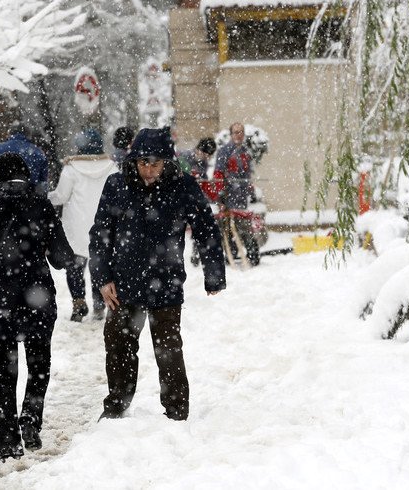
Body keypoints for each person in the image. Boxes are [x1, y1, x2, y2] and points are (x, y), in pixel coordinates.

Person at [89, 127, 225, 421]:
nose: (148, 170)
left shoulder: (183, 186)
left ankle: (177, 412)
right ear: (133, 161)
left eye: (155, 164)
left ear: (167, 162)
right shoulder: (117, 185)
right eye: (142, 163)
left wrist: (214, 273)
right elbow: (100, 234)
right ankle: (116, 407)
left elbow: (206, 229)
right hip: (123, 283)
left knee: (169, 350)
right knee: (118, 347)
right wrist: (102, 277)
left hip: (166, 281)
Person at [0, 153, 75, 462]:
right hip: (36, 300)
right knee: (39, 366)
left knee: (4, 375)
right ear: (27, 176)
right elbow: (61, 258)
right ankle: (30, 417)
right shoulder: (42, 206)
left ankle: (8, 445)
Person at [48, 128, 118, 322]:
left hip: (76, 227)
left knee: (75, 268)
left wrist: (46, 196)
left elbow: (61, 196)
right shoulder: (112, 167)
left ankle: (79, 301)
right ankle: (98, 303)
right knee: (99, 266)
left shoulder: (71, 169)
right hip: (102, 227)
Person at [215, 122, 260, 265]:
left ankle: (250, 253)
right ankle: (230, 253)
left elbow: (247, 174)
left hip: (241, 196)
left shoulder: (245, 151)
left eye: (241, 132)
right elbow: (218, 173)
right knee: (229, 227)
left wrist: (250, 189)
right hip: (228, 196)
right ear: (231, 134)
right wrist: (221, 191)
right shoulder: (224, 151)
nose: (239, 135)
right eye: (236, 132)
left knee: (243, 226)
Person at [0, 125, 49, 196]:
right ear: (28, 136)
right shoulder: (37, 153)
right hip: (28, 203)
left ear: (10, 134)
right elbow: (42, 185)